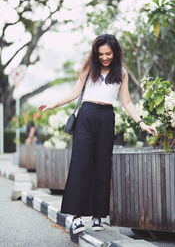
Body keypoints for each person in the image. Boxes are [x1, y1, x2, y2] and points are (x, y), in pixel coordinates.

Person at [37, 34, 157, 234]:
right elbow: (75, 92)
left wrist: (142, 123)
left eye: (108, 53)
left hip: (107, 117)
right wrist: (52, 105)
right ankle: (75, 217)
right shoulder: (88, 68)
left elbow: (126, 102)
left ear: (115, 52)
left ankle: (98, 215)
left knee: (102, 165)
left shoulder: (121, 73)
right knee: (80, 163)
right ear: (95, 53)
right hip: (87, 115)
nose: (104, 58)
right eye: (100, 54)